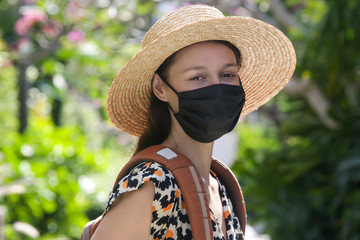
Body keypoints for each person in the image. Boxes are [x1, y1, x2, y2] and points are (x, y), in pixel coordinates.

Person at [92, 4, 296, 240]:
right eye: (198, 77)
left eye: (228, 74)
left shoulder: (219, 186)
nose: (216, 87)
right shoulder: (154, 183)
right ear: (160, 88)